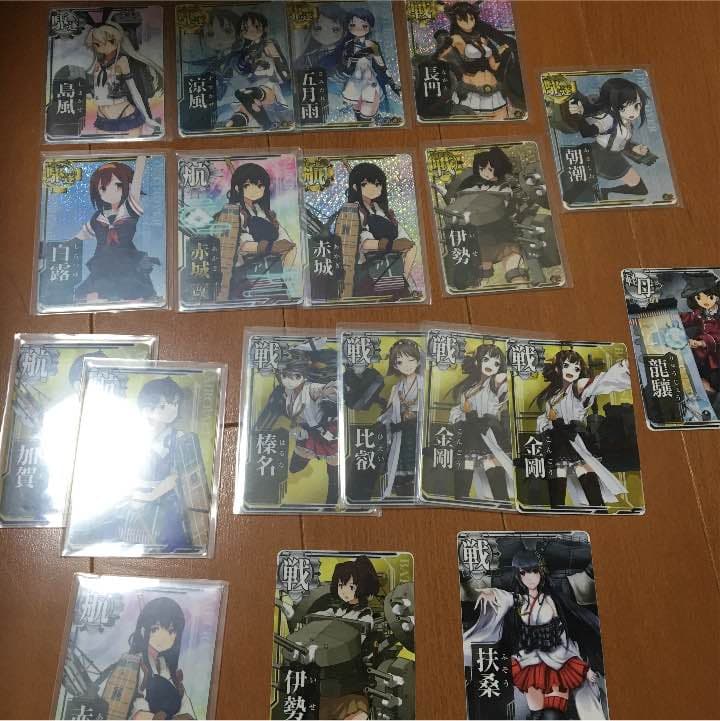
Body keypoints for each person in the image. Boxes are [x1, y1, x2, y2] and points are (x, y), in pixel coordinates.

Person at [464, 548, 605, 720]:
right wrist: (491, 592)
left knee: (553, 715)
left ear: (541, 572)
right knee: (537, 716)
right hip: (529, 664)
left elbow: (565, 643)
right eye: (524, 573)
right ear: (518, 575)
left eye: (534, 571)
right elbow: (504, 597)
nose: (530, 577)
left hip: (556, 664)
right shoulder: (518, 600)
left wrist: (584, 670)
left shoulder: (552, 600)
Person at [533, 351, 630, 509]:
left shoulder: (578, 386)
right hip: (556, 440)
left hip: (574, 437)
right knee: (558, 473)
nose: (572, 370)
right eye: (566, 365)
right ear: (557, 369)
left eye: (576, 368)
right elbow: (544, 419)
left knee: (582, 469)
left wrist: (624, 367)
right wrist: (548, 423)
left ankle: (599, 510)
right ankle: (558, 512)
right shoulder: (552, 395)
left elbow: (600, 382)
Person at [72, 156, 160, 303]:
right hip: (102, 262)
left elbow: (137, 181)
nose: (110, 192)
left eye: (117, 185)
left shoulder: (129, 209)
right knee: (96, 290)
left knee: (131, 289)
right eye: (103, 188)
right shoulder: (97, 217)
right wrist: (61, 246)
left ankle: (131, 298)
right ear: (98, 191)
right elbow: (81, 236)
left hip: (126, 260)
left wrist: (141, 158)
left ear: (127, 186)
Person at [213, 162, 296, 303]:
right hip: (245, 274)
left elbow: (284, 238)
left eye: (260, 185)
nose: (255, 189)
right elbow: (241, 245)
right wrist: (269, 247)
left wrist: (282, 248)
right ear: (238, 188)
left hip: (272, 271)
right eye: (247, 185)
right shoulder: (232, 212)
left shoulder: (266, 213)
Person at [568, 77, 655, 199]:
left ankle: (605, 191)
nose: (633, 112)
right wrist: (580, 116)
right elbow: (587, 132)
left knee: (640, 189)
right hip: (600, 156)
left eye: (637, 106)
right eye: (622, 107)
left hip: (614, 157)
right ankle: (599, 192)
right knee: (577, 189)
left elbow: (621, 142)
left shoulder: (627, 122)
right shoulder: (608, 120)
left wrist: (634, 148)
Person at [448, 344, 514, 503]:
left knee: (491, 462)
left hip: (487, 429)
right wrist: (462, 413)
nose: (491, 365)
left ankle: (502, 501)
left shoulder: (496, 383)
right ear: (477, 362)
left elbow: (503, 385)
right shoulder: (469, 386)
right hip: (469, 431)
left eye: (496, 363)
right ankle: (461, 500)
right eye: (486, 360)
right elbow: (459, 410)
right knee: (467, 462)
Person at [346, 162, 418, 299]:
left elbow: (407, 241)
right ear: (355, 187)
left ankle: (403, 282)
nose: (373, 188)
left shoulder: (384, 212)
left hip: (393, 270)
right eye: (365, 184)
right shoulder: (354, 211)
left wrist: (403, 276)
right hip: (367, 273)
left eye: (378, 184)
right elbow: (363, 244)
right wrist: (389, 245)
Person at [84, 22, 163, 136]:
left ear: (113, 41)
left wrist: (146, 117)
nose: (95, 47)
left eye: (98, 43)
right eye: (95, 44)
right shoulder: (98, 64)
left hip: (126, 113)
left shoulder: (122, 61)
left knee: (134, 145)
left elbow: (134, 90)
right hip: (103, 116)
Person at [124, 597, 195, 719]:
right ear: (143, 630)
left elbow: (185, 706)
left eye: (171, 631)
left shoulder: (167, 666)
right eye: (155, 629)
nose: (163, 637)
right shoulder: (134, 664)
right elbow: (134, 709)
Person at [377, 339, 422, 499]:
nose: (407, 365)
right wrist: (384, 420)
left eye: (411, 360)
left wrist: (414, 416)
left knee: (415, 469)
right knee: (399, 469)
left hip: (417, 433)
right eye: (400, 362)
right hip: (401, 434)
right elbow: (388, 413)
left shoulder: (424, 384)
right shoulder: (396, 388)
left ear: (418, 361)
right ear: (395, 365)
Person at [339, 8, 400, 122]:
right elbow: (345, 66)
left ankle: (372, 123)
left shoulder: (372, 45)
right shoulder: (348, 45)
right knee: (357, 107)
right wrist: (354, 59)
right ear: (348, 26)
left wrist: (392, 82)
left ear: (370, 27)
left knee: (370, 106)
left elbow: (381, 65)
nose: (358, 29)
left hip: (369, 78)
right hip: (355, 79)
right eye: (353, 25)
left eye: (364, 26)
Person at [679, 274, 720, 400]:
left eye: (710, 297)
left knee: (714, 380)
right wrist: (675, 317)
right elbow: (688, 318)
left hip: (717, 356)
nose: (705, 301)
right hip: (702, 355)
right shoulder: (701, 312)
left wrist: (702, 342)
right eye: (699, 298)